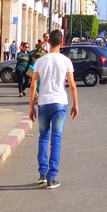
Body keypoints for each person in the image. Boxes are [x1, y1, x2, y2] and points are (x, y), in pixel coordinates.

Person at [29, 29, 79, 189]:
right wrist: (75, 104)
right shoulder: (66, 61)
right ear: (62, 42)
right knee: (56, 139)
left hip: (43, 102)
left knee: (43, 137)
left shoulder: (41, 61)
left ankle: (42, 174)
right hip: (59, 103)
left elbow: (33, 84)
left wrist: (31, 106)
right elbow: (72, 85)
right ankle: (52, 177)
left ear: (48, 41)